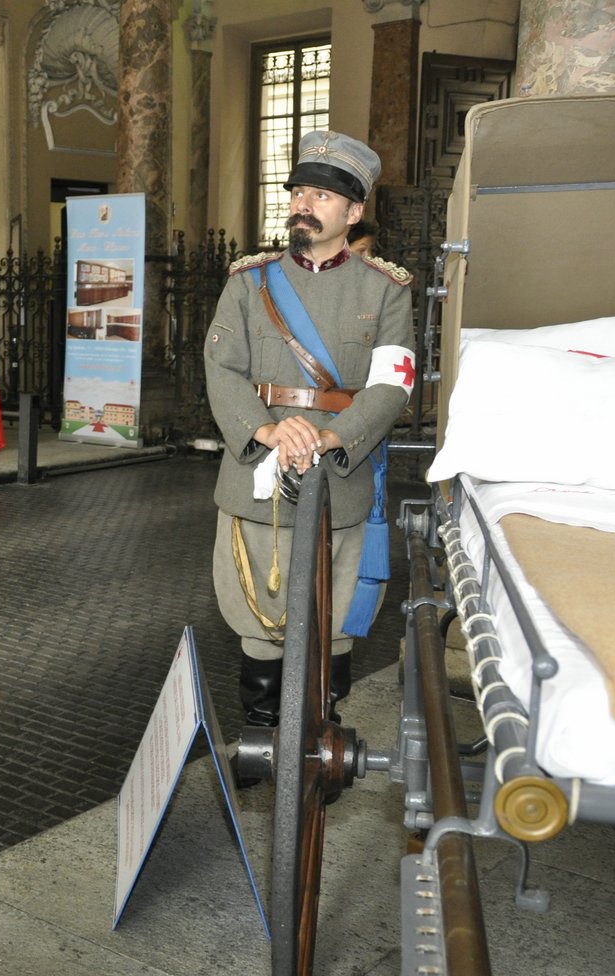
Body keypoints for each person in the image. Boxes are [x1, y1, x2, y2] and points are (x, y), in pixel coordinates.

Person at [204, 130, 415, 733]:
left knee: (334, 615)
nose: (304, 203)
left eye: (322, 196)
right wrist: (266, 431)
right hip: (258, 474)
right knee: (257, 614)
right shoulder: (249, 281)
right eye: (299, 191)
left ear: (352, 213)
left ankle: (320, 737)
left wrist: (331, 437)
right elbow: (221, 368)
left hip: (337, 475)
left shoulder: (385, 289)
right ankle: (263, 731)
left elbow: (391, 384)